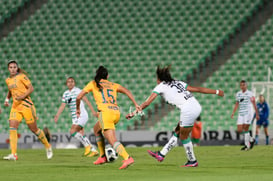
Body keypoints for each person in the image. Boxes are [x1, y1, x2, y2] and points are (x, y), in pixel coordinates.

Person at [126, 65, 224, 167]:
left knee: (183, 136)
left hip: (188, 109)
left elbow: (147, 103)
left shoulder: (160, 86)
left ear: (159, 79)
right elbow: (197, 89)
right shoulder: (178, 83)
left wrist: (133, 113)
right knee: (178, 131)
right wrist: (216, 91)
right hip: (195, 106)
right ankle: (161, 154)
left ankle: (192, 161)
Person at [76, 66, 140, 169]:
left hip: (105, 114)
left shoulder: (93, 83)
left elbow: (78, 97)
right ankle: (102, 157)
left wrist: (78, 109)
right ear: (107, 76)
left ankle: (127, 158)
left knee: (112, 140)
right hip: (116, 113)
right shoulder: (113, 85)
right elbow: (127, 91)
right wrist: (135, 104)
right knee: (96, 129)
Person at [3, 60, 53, 160]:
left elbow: (31, 89)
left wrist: (22, 97)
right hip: (15, 106)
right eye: (11, 67)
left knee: (34, 129)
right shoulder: (8, 80)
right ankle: (14, 154)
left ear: (17, 68)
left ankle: (48, 146)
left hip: (26, 105)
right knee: (12, 127)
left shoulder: (22, 76)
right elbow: (10, 90)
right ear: (8, 69)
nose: (13, 69)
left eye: (14, 67)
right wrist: (7, 99)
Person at [54, 77, 98, 157]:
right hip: (74, 117)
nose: (70, 83)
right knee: (80, 133)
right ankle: (93, 150)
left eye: (72, 81)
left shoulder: (78, 91)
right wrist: (57, 115)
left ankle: (87, 146)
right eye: (68, 82)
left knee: (72, 131)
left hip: (82, 114)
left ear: (74, 83)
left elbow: (87, 101)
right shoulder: (65, 93)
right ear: (66, 84)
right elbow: (62, 105)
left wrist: (93, 111)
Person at [231, 80, 259, 150]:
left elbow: (254, 104)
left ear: (246, 85)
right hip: (241, 113)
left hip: (248, 112)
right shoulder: (238, 94)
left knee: (246, 128)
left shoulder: (250, 94)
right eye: (241, 85)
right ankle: (252, 140)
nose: (242, 86)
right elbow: (237, 103)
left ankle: (247, 145)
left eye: (244, 85)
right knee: (240, 130)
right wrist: (233, 113)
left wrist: (257, 114)